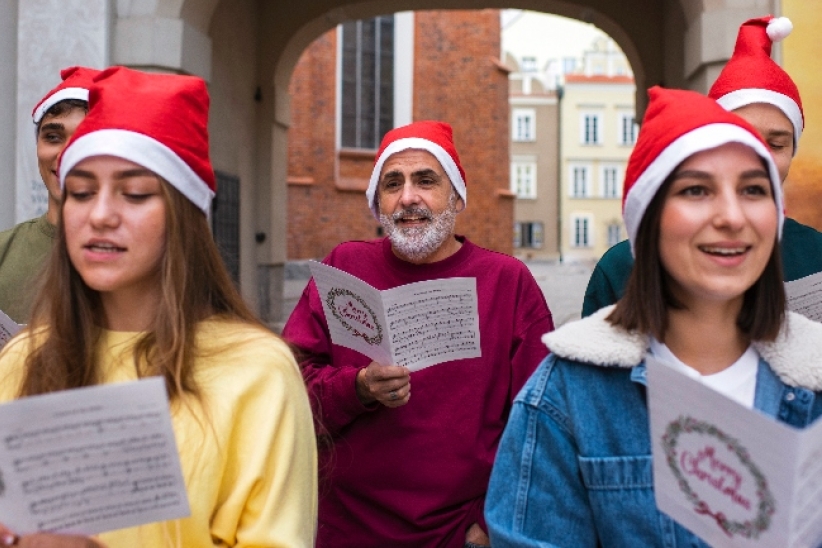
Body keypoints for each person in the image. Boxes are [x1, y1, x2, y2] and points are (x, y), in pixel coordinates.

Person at [485, 86, 822, 546]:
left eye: (752, 189)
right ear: (647, 219)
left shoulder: (813, 380)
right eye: (697, 189)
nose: (732, 215)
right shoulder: (568, 395)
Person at [0, 66, 317, 547]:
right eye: (81, 192)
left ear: (183, 213)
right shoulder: (22, 360)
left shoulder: (256, 372)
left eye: (134, 193)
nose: (100, 215)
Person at [282, 120, 554, 548]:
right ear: (378, 202)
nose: (408, 197)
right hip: (349, 529)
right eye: (393, 184)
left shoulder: (507, 282)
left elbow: (540, 423)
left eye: (425, 180)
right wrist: (358, 387)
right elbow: (287, 390)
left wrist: (490, 519)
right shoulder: (344, 268)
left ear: (457, 196)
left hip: (459, 534)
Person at [581, 15, 822, 317]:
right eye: (742, 138)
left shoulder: (816, 255)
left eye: (776, 144)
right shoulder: (621, 269)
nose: (760, 158)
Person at [0, 66, 99, 323]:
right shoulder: (4, 251)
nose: (65, 154)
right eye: (53, 137)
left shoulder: (138, 256)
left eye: (83, 137)